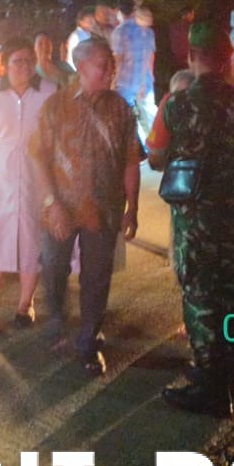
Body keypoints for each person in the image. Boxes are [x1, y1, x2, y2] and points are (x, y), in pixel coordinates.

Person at [148, 23, 234, 415]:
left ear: (191, 57)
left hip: (195, 210)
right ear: (226, 58)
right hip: (231, 206)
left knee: (200, 292)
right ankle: (226, 372)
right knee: (227, 287)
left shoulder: (177, 105)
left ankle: (210, 385)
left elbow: (155, 156)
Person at [28, 37, 140, 376]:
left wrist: (132, 208)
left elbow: (131, 161)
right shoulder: (56, 106)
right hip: (59, 208)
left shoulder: (121, 109)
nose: (109, 72)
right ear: (81, 66)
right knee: (53, 267)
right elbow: (38, 157)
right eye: (102, 65)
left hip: (103, 211)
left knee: (97, 277)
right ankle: (57, 325)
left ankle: (89, 340)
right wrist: (51, 203)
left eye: (112, 65)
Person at [0, 37, 56, 333]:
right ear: (4, 64)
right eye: (17, 61)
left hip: (36, 177)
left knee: (31, 240)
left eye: (29, 61)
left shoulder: (49, 92)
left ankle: (24, 304)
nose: (24, 67)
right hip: (0, 177)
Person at [110, 0, 158, 138]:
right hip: (145, 82)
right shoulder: (148, 30)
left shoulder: (119, 31)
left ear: (121, 12)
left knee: (125, 119)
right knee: (149, 118)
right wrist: (149, 79)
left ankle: (132, 145)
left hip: (125, 83)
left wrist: (113, 82)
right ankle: (153, 145)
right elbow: (151, 57)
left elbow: (118, 61)